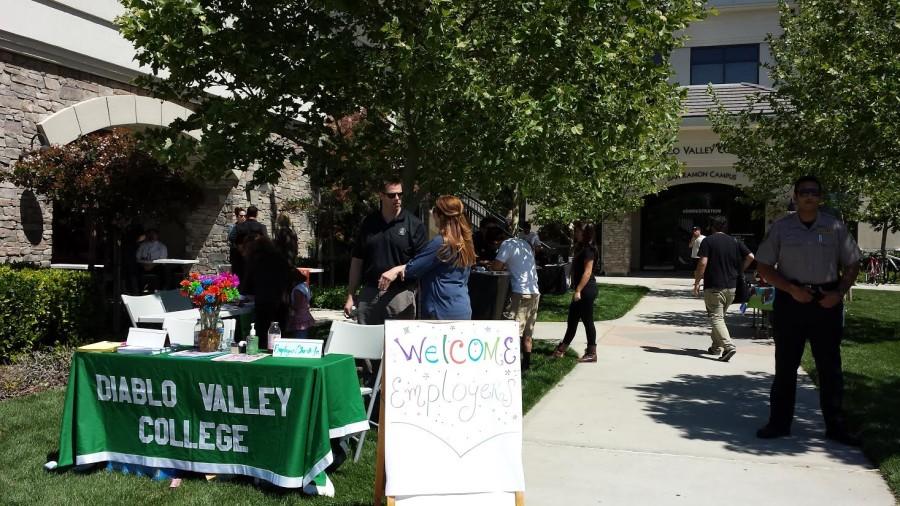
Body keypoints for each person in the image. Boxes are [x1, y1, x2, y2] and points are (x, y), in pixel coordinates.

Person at [754, 175, 861, 445]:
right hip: (791, 301)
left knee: (830, 368)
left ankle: (836, 427)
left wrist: (838, 293)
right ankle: (778, 423)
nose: (809, 196)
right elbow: (764, 266)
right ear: (795, 196)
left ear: (820, 197)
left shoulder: (835, 227)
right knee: (785, 367)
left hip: (826, 301)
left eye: (814, 192)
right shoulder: (781, 228)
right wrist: (790, 289)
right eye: (804, 192)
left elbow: (852, 263)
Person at [344, 178, 427, 324]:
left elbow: (422, 263)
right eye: (391, 195)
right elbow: (357, 260)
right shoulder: (369, 223)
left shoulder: (414, 224)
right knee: (368, 344)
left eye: (400, 195)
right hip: (369, 294)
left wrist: (397, 270)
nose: (397, 199)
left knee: (398, 345)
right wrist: (351, 295)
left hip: (400, 295)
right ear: (380, 195)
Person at [379, 195, 476, 320]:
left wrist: (395, 269)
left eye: (434, 210)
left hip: (440, 309)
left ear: (440, 216)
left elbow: (413, 269)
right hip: (462, 307)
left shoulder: (440, 243)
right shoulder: (465, 242)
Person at [692, 216, 755, 362]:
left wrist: (696, 282)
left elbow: (702, 263)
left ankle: (728, 346)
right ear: (725, 227)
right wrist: (740, 271)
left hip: (714, 286)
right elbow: (751, 256)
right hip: (731, 287)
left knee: (716, 317)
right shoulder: (734, 241)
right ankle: (716, 347)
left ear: (712, 227)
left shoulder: (708, 241)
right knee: (719, 317)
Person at [491, 228, 540, 371]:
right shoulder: (523, 243)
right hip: (534, 291)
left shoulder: (507, 244)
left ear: (496, 241)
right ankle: (526, 364)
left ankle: (511, 364)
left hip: (521, 292)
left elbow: (497, 266)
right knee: (528, 332)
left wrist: (489, 264)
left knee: (513, 330)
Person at [237, 229, 293, 349]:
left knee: (263, 334)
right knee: (279, 333)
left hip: (265, 301)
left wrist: (241, 297)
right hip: (282, 300)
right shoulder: (279, 256)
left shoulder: (255, 259)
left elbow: (247, 282)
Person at [552, 223, 599, 363]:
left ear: (585, 233)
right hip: (582, 289)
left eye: (578, 231)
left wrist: (578, 290)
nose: (575, 233)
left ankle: (592, 353)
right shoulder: (582, 248)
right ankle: (562, 349)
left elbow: (588, 272)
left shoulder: (589, 250)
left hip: (586, 289)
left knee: (587, 321)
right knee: (572, 320)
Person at [287, 269, 315, 338]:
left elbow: (298, 305)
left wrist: (289, 306)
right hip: (305, 316)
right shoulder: (304, 286)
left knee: (299, 339)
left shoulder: (297, 290)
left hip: (300, 319)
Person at [227, 207, 246, 273]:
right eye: (241, 216)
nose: (243, 217)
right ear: (237, 217)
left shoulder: (248, 227)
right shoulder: (232, 227)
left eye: (244, 216)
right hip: (235, 253)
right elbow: (230, 239)